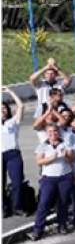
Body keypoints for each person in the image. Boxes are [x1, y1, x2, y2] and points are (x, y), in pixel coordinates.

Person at [32, 124, 75, 240]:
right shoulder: (43, 145)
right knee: (44, 203)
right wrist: (53, 157)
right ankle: (38, 230)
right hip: (49, 179)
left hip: (64, 177)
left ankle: (62, 225)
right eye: (50, 131)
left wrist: (67, 156)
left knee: (63, 202)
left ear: (58, 132)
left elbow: (73, 159)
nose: (53, 133)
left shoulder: (65, 143)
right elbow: (39, 161)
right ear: (47, 133)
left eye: (55, 131)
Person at [3, 88, 24, 217]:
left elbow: (21, 106)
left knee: (17, 181)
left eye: (4, 108)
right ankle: (4, 207)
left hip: (13, 154)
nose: (2, 110)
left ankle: (17, 207)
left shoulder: (13, 122)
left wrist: (10, 92)